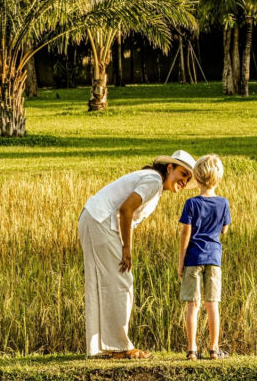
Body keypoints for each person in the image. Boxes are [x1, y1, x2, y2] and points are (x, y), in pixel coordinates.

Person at [78, 150, 196, 359]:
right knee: (122, 282)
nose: (184, 181)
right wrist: (127, 249)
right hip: (101, 221)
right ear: (170, 168)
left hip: (93, 218)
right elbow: (126, 210)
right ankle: (120, 347)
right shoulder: (153, 180)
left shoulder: (155, 184)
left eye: (188, 178)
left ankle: (99, 348)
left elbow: (127, 213)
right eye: (183, 174)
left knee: (102, 283)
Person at [177, 154, 231, 360]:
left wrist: (181, 261)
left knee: (193, 305)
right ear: (218, 179)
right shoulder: (223, 203)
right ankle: (214, 349)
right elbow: (224, 230)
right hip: (214, 258)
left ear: (196, 179)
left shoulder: (191, 204)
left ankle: (192, 350)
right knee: (212, 305)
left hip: (193, 258)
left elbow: (185, 234)